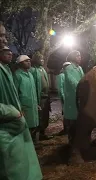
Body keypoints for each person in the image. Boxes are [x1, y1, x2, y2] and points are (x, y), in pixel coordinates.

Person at [0, 23, 43, 179]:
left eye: (4, 35)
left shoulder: (11, 71)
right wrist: (12, 111)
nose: (4, 40)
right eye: (0, 36)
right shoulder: (16, 74)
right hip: (7, 132)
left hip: (15, 126)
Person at [13, 55, 40, 141]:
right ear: (20, 63)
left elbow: (33, 91)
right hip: (24, 107)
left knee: (33, 126)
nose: (29, 62)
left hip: (32, 105)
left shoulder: (30, 75)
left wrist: (36, 104)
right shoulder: (17, 75)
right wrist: (19, 108)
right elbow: (15, 93)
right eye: (26, 61)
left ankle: (33, 144)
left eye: (29, 60)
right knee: (26, 128)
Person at [30, 52, 53, 141]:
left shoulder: (43, 69)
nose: (42, 60)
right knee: (39, 117)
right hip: (40, 98)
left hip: (46, 97)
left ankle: (43, 134)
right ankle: (35, 137)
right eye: (40, 59)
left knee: (45, 116)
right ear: (35, 60)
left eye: (43, 59)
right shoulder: (32, 70)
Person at [64, 50, 84, 144]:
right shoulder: (69, 68)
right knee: (73, 119)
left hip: (80, 96)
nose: (80, 57)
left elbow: (83, 79)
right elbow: (71, 81)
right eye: (77, 55)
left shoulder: (79, 68)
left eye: (80, 55)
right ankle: (72, 140)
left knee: (79, 118)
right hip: (72, 97)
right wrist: (80, 88)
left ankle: (79, 138)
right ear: (72, 57)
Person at [55, 62, 71, 136]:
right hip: (65, 98)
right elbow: (60, 88)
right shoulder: (61, 76)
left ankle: (70, 128)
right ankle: (66, 129)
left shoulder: (69, 75)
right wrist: (63, 98)